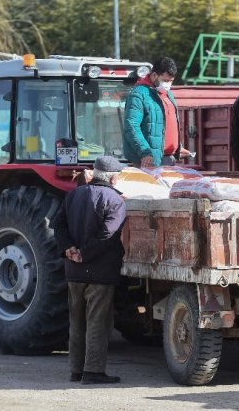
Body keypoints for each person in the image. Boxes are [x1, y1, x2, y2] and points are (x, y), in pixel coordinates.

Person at [52, 155, 127, 385]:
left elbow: (58, 224)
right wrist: (85, 253)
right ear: (113, 178)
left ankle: (76, 370)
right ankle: (93, 371)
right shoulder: (115, 201)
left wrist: (69, 249)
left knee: (77, 321)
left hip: (74, 270)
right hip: (99, 272)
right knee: (97, 321)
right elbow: (107, 235)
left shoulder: (74, 194)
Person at [123, 56, 191, 167]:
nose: (168, 84)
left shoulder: (167, 94)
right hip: (148, 160)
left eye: (171, 81)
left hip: (169, 158)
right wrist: (144, 151)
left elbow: (165, 124)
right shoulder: (139, 94)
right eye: (165, 80)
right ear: (154, 75)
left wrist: (177, 146)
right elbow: (132, 126)